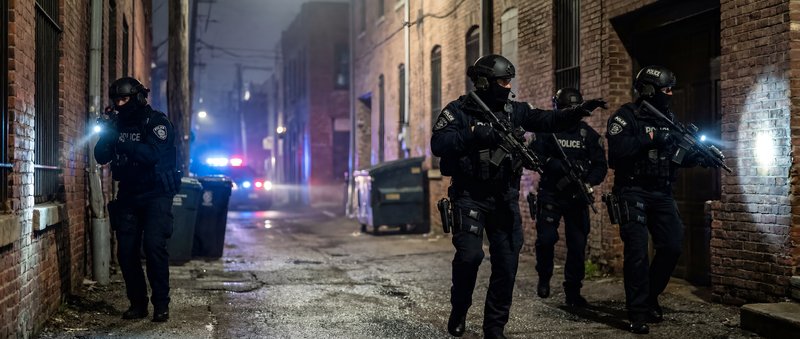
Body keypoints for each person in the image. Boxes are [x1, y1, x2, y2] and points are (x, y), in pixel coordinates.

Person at [431, 54, 606, 339]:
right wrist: (474, 133)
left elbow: (547, 119)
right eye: (503, 81)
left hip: (504, 197)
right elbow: (438, 143)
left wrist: (578, 111)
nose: (508, 86)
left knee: (507, 263)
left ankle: (494, 327)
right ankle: (460, 308)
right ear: (484, 82)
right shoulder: (458, 110)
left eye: (509, 80)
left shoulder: (516, 111)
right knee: (470, 257)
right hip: (470, 196)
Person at [606, 65, 706, 334]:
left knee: (672, 245)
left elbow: (673, 157)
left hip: (662, 192)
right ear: (649, 90)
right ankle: (637, 311)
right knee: (637, 252)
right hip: (632, 190)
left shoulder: (668, 119)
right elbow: (616, 153)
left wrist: (696, 158)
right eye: (666, 89)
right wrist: (650, 137)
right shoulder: (626, 116)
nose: (670, 93)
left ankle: (650, 296)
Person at [95, 77, 181, 323]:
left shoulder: (156, 123)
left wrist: (120, 140)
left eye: (125, 99)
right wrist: (108, 136)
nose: (120, 104)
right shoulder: (117, 124)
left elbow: (151, 155)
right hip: (129, 193)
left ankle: (161, 305)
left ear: (139, 98)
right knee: (126, 251)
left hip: (156, 193)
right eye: (117, 100)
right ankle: (137, 303)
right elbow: (100, 156)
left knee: (154, 247)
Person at [530, 88, 607, 307]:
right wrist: (551, 164)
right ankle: (544, 276)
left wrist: (588, 181)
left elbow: (600, 166)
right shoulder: (547, 132)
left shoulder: (588, 135)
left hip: (577, 197)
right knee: (546, 240)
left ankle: (573, 291)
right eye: (566, 109)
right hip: (551, 194)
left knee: (577, 245)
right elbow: (532, 156)